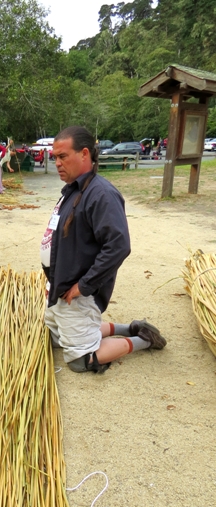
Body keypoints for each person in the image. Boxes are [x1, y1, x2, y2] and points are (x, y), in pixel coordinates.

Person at [41, 125, 166, 373]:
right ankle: (128, 328)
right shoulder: (74, 189)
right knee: (56, 338)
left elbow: (118, 246)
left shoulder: (101, 194)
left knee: (79, 361)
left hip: (76, 293)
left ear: (84, 154)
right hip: (58, 288)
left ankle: (142, 340)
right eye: (55, 157)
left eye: (63, 156)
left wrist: (83, 286)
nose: (57, 163)